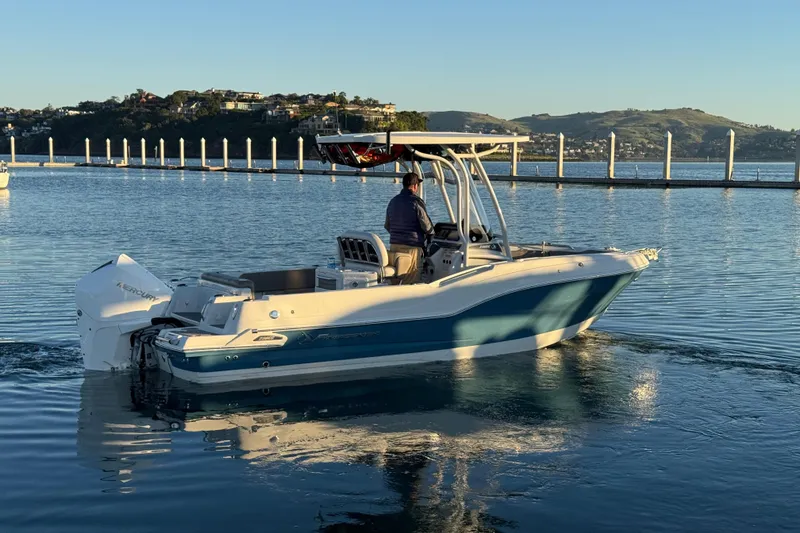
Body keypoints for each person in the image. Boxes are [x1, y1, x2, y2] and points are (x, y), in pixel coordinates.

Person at [384, 172, 434, 284]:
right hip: (412, 249)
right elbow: (427, 226)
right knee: (412, 281)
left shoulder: (393, 202)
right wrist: (431, 235)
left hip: (394, 248)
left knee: (396, 282)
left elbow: (387, 226)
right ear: (415, 186)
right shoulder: (416, 202)